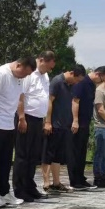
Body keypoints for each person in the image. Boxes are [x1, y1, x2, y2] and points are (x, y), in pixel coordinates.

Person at [0, 56, 36, 208]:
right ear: (18, 65)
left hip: (9, 124)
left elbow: (20, 98)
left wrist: (21, 117)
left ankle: (4, 192)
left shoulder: (20, 78)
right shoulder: (1, 73)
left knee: (5, 162)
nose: (24, 77)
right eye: (24, 73)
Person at [13, 51, 56, 203]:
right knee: (22, 155)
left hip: (38, 119)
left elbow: (45, 98)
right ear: (42, 60)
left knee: (33, 156)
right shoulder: (29, 74)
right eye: (49, 66)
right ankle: (19, 189)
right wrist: (21, 117)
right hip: (26, 118)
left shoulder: (45, 76)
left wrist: (46, 120)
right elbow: (20, 96)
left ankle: (29, 186)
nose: (50, 70)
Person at [43, 64, 86, 192]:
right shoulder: (57, 81)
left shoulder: (70, 85)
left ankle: (56, 182)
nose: (77, 83)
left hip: (64, 124)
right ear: (72, 73)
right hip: (54, 124)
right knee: (49, 154)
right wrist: (48, 121)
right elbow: (49, 101)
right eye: (77, 79)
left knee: (58, 156)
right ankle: (46, 183)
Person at [69, 66, 105, 190]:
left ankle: (81, 178)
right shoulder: (82, 82)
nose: (102, 82)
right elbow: (75, 101)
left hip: (85, 122)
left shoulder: (91, 85)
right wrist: (75, 120)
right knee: (75, 151)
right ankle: (74, 180)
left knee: (82, 152)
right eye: (102, 79)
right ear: (97, 74)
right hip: (78, 123)